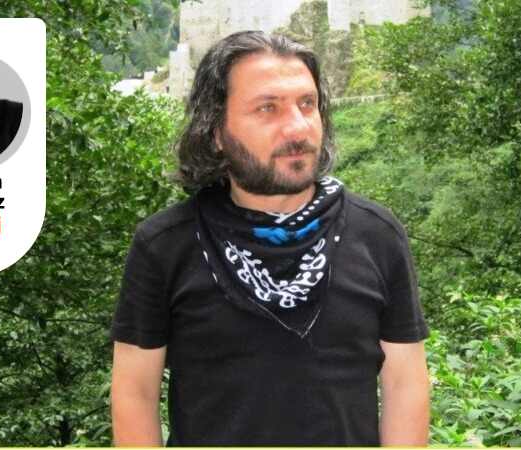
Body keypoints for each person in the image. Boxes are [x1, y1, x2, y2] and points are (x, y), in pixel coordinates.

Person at [110, 30, 430, 446]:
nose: (297, 127)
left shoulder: (377, 235)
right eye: (267, 108)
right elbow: (135, 393)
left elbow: (405, 384)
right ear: (216, 131)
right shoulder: (165, 245)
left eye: (307, 104)